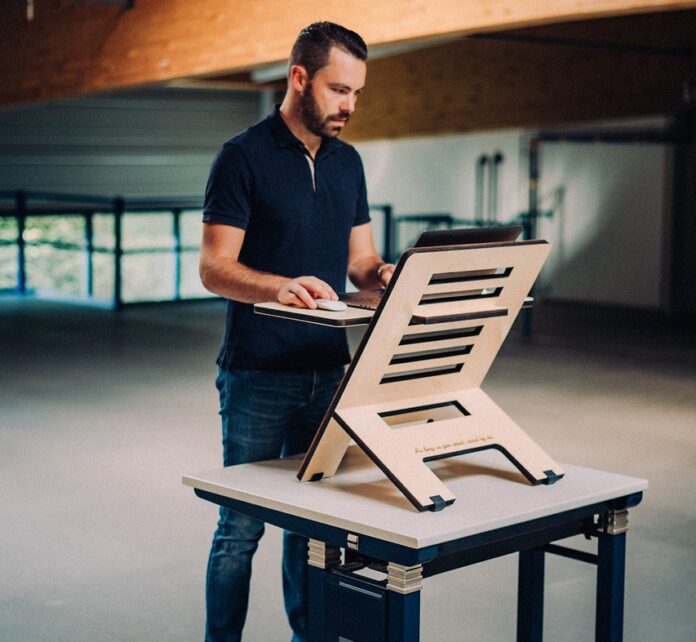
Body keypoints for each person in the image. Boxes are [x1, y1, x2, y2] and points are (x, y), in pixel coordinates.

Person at [199, 21, 395, 642]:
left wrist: (385, 274)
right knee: (240, 529)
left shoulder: (349, 162)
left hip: (327, 371)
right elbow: (213, 267)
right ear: (299, 77)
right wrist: (275, 286)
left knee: (312, 527)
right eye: (339, 90)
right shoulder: (243, 156)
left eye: (358, 93)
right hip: (257, 373)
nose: (349, 106)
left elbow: (360, 262)